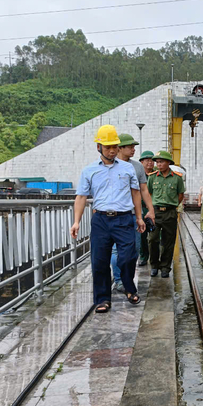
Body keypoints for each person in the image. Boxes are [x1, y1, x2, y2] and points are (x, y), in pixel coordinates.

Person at [70, 125, 146, 313]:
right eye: (107, 147)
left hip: (124, 219)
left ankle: (129, 288)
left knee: (128, 256)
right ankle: (103, 299)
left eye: (114, 147)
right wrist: (76, 221)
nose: (111, 151)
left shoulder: (128, 168)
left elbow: (136, 193)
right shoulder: (89, 171)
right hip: (101, 220)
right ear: (99, 147)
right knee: (99, 260)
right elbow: (81, 197)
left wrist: (139, 217)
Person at [111, 134, 156, 290]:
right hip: (115, 214)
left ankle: (127, 277)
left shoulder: (137, 167)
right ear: (120, 148)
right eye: (130, 147)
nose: (133, 149)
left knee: (134, 248)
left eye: (134, 146)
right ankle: (118, 280)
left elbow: (144, 190)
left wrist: (150, 210)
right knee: (117, 249)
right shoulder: (110, 165)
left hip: (134, 213)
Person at [147, 150, 185, 278]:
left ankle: (165, 267)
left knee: (168, 241)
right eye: (157, 162)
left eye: (161, 162)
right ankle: (154, 265)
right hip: (155, 212)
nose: (159, 164)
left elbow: (180, 195)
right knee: (152, 239)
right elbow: (149, 193)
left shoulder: (177, 178)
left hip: (170, 213)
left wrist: (171, 204)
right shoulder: (152, 177)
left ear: (168, 162)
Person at [138, 150, 156, 266]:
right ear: (142, 162)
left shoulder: (156, 175)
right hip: (142, 207)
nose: (150, 163)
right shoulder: (138, 175)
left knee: (155, 234)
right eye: (147, 160)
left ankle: (155, 257)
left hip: (154, 208)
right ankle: (143, 256)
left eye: (152, 160)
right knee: (142, 234)